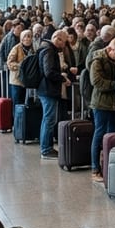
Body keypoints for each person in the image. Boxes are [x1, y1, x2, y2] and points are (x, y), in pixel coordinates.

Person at [89, 37, 115, 183]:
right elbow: (97, 82)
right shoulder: (97, 61)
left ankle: (109, 167)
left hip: (113, 104)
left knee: (113, 135)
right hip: (101, 104)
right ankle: (95, 168)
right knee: (99, 134)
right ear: (109, 49)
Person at [37, 29, 73, 160]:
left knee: (47, 119)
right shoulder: (49, 50)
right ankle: (46, 149)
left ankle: (46, 147)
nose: (64, 45)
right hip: (48, 90)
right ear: (57, 38)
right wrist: (63, 78)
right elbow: (49, 72)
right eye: (64, 42)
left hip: (46, 89)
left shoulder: (46, 48)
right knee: (49, 119)